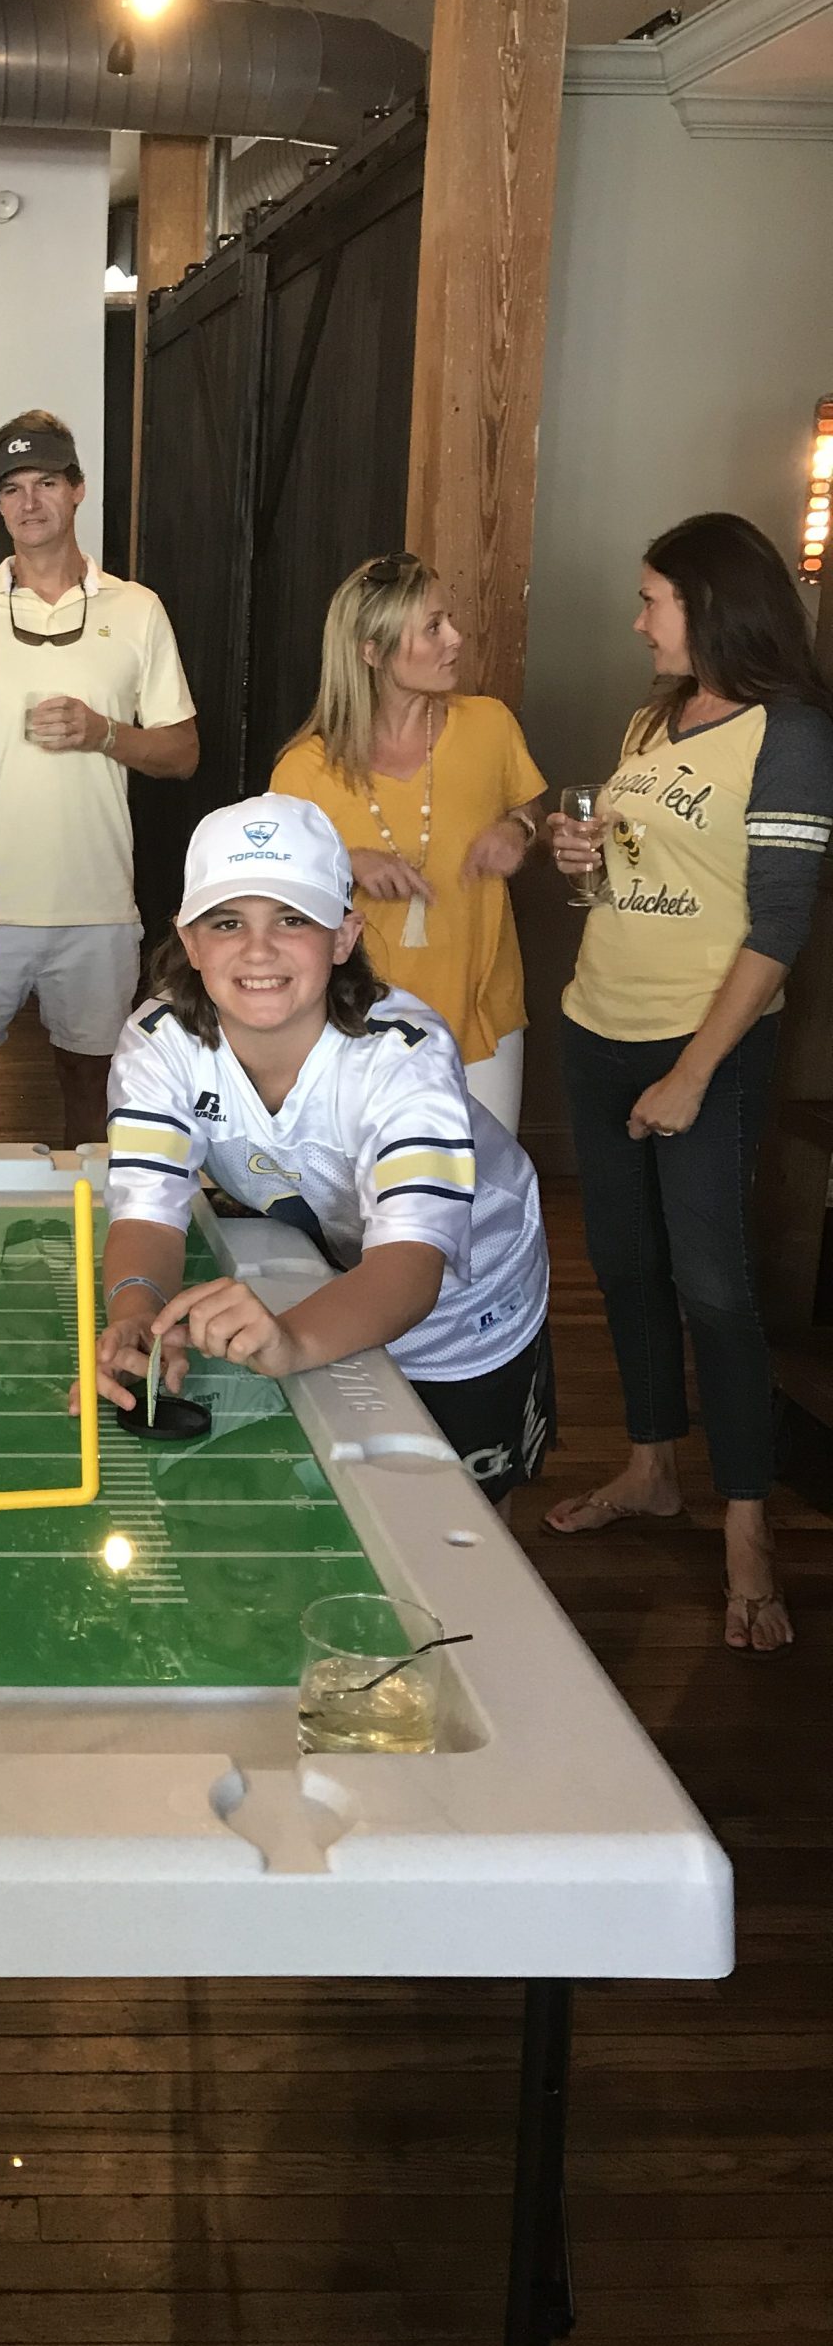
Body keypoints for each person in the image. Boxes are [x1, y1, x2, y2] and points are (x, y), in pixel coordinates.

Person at [90, 795, 554, 1504]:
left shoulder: (404, 1054)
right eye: (227, 922)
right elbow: (148, 1211)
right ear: (190, 941)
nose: (258, 949)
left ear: (343, 936)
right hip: (325, 1273)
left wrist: (293, 1341)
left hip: (464, 1302)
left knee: (460, 1512)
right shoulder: (159, 1043)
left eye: (292, 919)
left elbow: (411, 1265)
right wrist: (135, 1315)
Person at [546, 512, 833, 1654]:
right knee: (625, 1266)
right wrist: (584, 852)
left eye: (651, 600)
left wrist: (693, 1073)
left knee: (715, 1288)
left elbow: (779, 926)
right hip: (596, 1024)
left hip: (701, 1044)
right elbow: (638, 866)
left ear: (710, 605)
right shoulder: (654, 717)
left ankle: (748, 1529)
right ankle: (653, 1467)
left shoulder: (791, 734)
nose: (638, 621)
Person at [0, 411, 199, 1148]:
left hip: (95, 904)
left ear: (77, 490)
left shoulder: (138, 609)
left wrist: (105, 733)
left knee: (92, 1085)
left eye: (44, 483)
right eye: (11, 488)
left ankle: (92, 1225)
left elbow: (183, 752)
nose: (28, 502)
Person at [272, 554, 546, 1133]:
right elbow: (272, 898)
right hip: (354, 1021)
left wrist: (517, 829)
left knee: (481, 1177)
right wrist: (344, 862)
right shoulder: (304, 769)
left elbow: (528, 809)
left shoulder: (490, 725)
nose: (456, 638)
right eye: (433, 627)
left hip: (482, 1017)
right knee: (366, 1184)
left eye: (449, 621)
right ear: (372, 652)